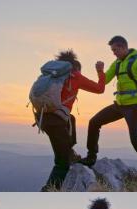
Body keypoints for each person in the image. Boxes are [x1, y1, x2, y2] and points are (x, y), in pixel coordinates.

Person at [79, 35, 137, 181]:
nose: (114, 53)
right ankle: (91, 158)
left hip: (135, 106)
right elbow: (105, 80)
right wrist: (100, 71)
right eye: (112, 50)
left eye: (115, 50)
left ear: (123, 47)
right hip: (119, 105)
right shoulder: (117, 63)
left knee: (136, 140)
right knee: (94, 122)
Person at [39, 50, 105, 191]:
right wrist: (100, 71)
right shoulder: (75, 75)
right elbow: (100, 89)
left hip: (43, 118)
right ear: (76, 67)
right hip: (57, 122)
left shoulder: (51, 74)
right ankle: (48, 192)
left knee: (71, 118)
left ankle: (69, 151)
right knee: (62, 163)